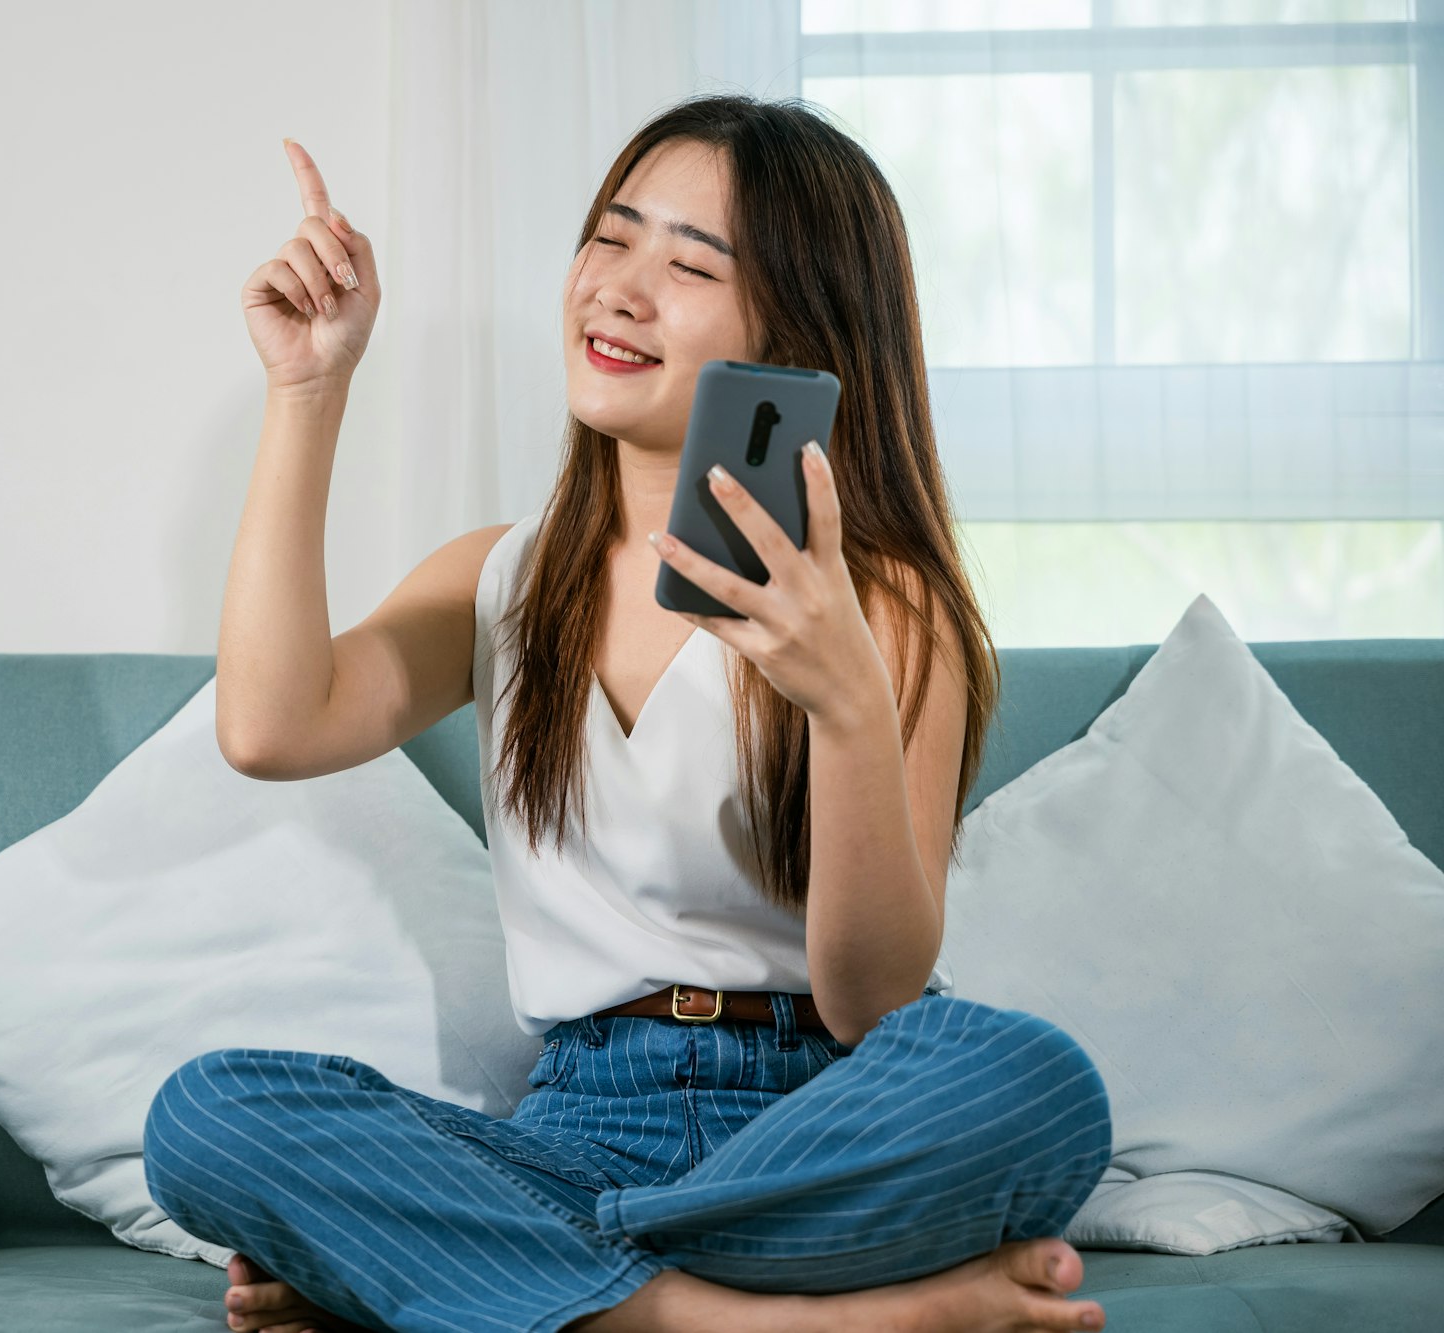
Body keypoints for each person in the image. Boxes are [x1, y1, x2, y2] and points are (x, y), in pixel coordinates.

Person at [143, 95, 1114, 1333]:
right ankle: (774, 1320)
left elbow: (875, 1000)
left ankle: (503, 1284)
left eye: (689, 264)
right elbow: (268, 727)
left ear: (796, 334)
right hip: (571, 1130)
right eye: (610, 239)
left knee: (1029, 1083)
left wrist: (850, 709)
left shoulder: (880, 602)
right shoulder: (498, 576)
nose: (621, 287)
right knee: (207, 1115)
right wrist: (306, 389)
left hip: (812, 1118)